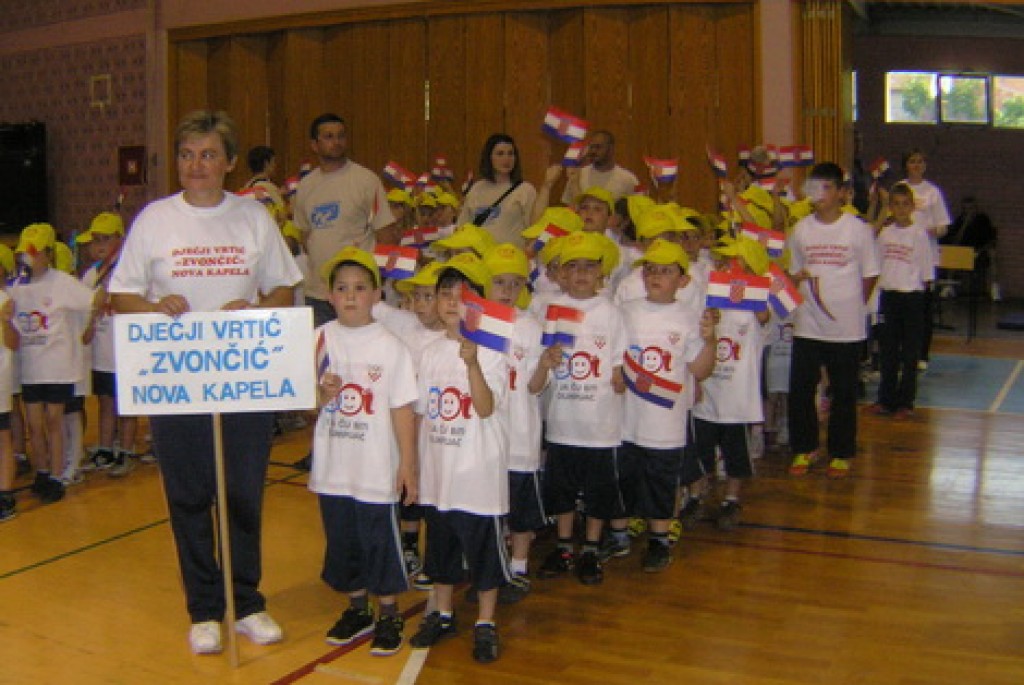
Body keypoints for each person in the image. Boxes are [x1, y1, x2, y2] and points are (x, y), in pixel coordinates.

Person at [109, 110, 302, 655]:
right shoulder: (153, 220)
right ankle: (204, 609)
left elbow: (285, 288)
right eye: (189, 154)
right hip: (176, 381)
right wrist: (152, 305)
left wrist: (257, 305)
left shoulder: (252, 219)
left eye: (209, 154)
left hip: (244, 379)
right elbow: (120, 295)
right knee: (189, 496)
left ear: (230, 162)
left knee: (241, 494)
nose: (197, 165)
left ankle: (248, 601)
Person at [310, 247, 418, 656]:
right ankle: (358, 608)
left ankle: (388, 611)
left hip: (375, 468)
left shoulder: (391, 346)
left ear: (377, 294)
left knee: (379, 542)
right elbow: (306, 403)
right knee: (343, 542)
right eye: (342, 288)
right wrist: (320, 394)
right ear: (329, 294)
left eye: (359, 288)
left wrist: (408, 464)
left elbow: (402, 408)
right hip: (333, 466)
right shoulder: (319, 339)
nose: (350, 296)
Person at [407, 253, 509, 664]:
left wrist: (472, 365)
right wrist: (412, 467)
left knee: (484, 555)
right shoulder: (429, 352)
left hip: (477, 476)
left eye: (462, 294)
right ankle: (443, 613)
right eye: (445, 292)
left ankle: (486, 621)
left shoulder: (493, 350)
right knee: (441, 553)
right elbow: (420, 415)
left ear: (479, 304)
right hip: (438, 475)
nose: (452, 300)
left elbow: (484, 407)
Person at [534, 231, 626, 585]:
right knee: (562, 490)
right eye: (573, 267)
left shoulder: (610, 312)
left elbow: (618, 359)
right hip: (562, 421)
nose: (582, 274)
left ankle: (590, 547)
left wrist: (619, 375)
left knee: (599, 492)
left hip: (600, 426)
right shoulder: (552, 312)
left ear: (602, 274)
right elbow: (544, 358)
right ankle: (563, 546)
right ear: (560, 274)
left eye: (590, 267)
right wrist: (549, 358)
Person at [621, 239, 716, 571]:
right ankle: (624, 529)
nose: (655, 276)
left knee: (662, 479)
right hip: (627, 418)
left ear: (683, 280)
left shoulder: (689, 318)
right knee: (628, 475)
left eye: (666, 271)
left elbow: (701, 369)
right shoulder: (626, 311)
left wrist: (710, 340)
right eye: (650, 270)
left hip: (666, 420)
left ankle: (659, 539)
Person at [786, 163, 879, 479]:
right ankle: (804, 448)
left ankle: (840, 452)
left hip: (846, 328)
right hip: (808, 325)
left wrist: (850, 306)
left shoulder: (858, 229)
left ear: (841, 192)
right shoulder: (800, 229)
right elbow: (795, 272)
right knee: (800, 389)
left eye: (825, 187)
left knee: (843, 392)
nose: (818, 195)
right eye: (813, 187)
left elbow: (870, 274)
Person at [11, 223, 100, 505]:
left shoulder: (61, 282)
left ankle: (57, 475)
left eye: (35, 253)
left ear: (48, 254)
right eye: (25, 253)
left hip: (57, 367)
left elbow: (93, 301)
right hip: (31, 367)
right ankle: (41, 470)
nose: (29, 259)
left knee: (54, 421)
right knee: (34, 425)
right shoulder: (17, 287)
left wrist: (88, 328)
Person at [687, 236, 770, 529]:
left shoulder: (755, 310)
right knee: (700, 453)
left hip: (737, 400)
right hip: (707, 396)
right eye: (723, 263)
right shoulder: (707, 304)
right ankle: (696, 495)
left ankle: (731, 500)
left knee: (736, 457)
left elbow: (765, 315)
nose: (727, 269)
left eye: (736, 264)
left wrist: (752, 286)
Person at [294, 113, 395, 327]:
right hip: (319, 294)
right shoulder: (306, 186)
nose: (336, 142)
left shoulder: (366, 181)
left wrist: (376, 283)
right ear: (314, 144)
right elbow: (304, 236)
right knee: (323, 357)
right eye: (328, 137)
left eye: (341, 136)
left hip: (359, 294)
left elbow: (386, 235)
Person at [484, 243, 544, 596]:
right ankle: (491, 562)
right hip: (487, 438)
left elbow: (536, 386)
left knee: (521, 510)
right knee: (489, 506)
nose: (507, 291)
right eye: (499, 282)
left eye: (515, 283)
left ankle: (519, 563)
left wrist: (546, 367)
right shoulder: (475, 325)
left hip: (520, 437)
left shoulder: (531, 327)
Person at [77, 212, 139, 477]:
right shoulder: (91, 275)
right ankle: (104, 448)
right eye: (95, 240)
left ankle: (125, 449)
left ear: (120, 240)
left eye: (106, 239)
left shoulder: (128, 272)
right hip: (101, 352)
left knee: (126, 404)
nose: (99, 246)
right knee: (105, 402)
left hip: (123, 352)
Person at [868, 183, 934, 419]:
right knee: (888, 352)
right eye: (896, 204)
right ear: (891, 207)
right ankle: (886, 399)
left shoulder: (919, 235)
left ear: (912, 206)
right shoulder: (885, 234)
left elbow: (927, 274)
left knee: (909, 354)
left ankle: (906, 402)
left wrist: (921, 303)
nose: (901, 209)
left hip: (912, 298)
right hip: (889, 297)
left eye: (905, 204)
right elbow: (876, 266)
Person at [901, 149, 950, 370]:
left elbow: (943, 225)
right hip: (902, 256)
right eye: (912, 161)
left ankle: (922, 354)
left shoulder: (933, 192)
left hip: (926, 257)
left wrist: (933, 230)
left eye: (920, 161)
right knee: (901, 304)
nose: (917, 165)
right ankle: (901, 350)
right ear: (906, 165)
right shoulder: (899, 189)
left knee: (923, 307)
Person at [457, 133, 537, 247]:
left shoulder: (525, 190)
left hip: (510, 258)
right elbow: (462, 227)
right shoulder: (476, 189)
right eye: (500, 154)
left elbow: (533, 229)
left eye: (511, 154)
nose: (506, 159)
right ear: (489, 158)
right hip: (479, 258)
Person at [560, 130, 639, 203]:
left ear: (611, 149)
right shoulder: (577, 175)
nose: (593, 151)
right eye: (591, 147)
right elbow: (568, 206)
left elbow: (637, 212)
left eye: (598, 147)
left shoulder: (628, 179)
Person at [0, 244, 20, 522]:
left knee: (2, 438)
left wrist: (6, 321)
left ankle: (4, 493)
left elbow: (13, 343)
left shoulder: (4, 300)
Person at [241, 145, 285, 209]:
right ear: (266, 163)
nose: (275, 165)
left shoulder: (246, 186)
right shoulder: (268, 187)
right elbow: (281, 213)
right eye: (273, 161)